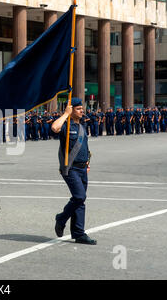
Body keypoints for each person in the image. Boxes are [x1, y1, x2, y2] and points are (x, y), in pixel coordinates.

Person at [51, 97, 97, 245]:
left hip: (83, 168)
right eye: (78, 108)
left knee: (81, 200)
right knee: (79, 196)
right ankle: (61, 218)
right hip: (70, 168)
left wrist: (87, 163)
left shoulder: (82, 127)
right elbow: (54, 128)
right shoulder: (66, 125)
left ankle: (79, 233)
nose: (82, 110)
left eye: (82, 108)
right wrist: (65, 114)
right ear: (71, 110)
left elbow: (85, 148)